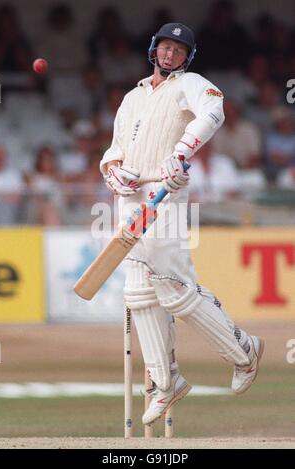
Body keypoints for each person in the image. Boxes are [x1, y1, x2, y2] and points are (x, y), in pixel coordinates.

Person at [99, 23, 264, 426]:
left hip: (165, 192)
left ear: (186, 56)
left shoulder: (190, 83)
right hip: (131, 197)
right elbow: (116, 148)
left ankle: (243, 350)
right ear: (154, 49)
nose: (170, 55)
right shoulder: (133, 96)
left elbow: (214, 110)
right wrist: (112, 172)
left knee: (172, 288)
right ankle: (165, 379)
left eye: (179, 49)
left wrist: (180, 154)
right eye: (165, 47)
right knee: (138, 292)